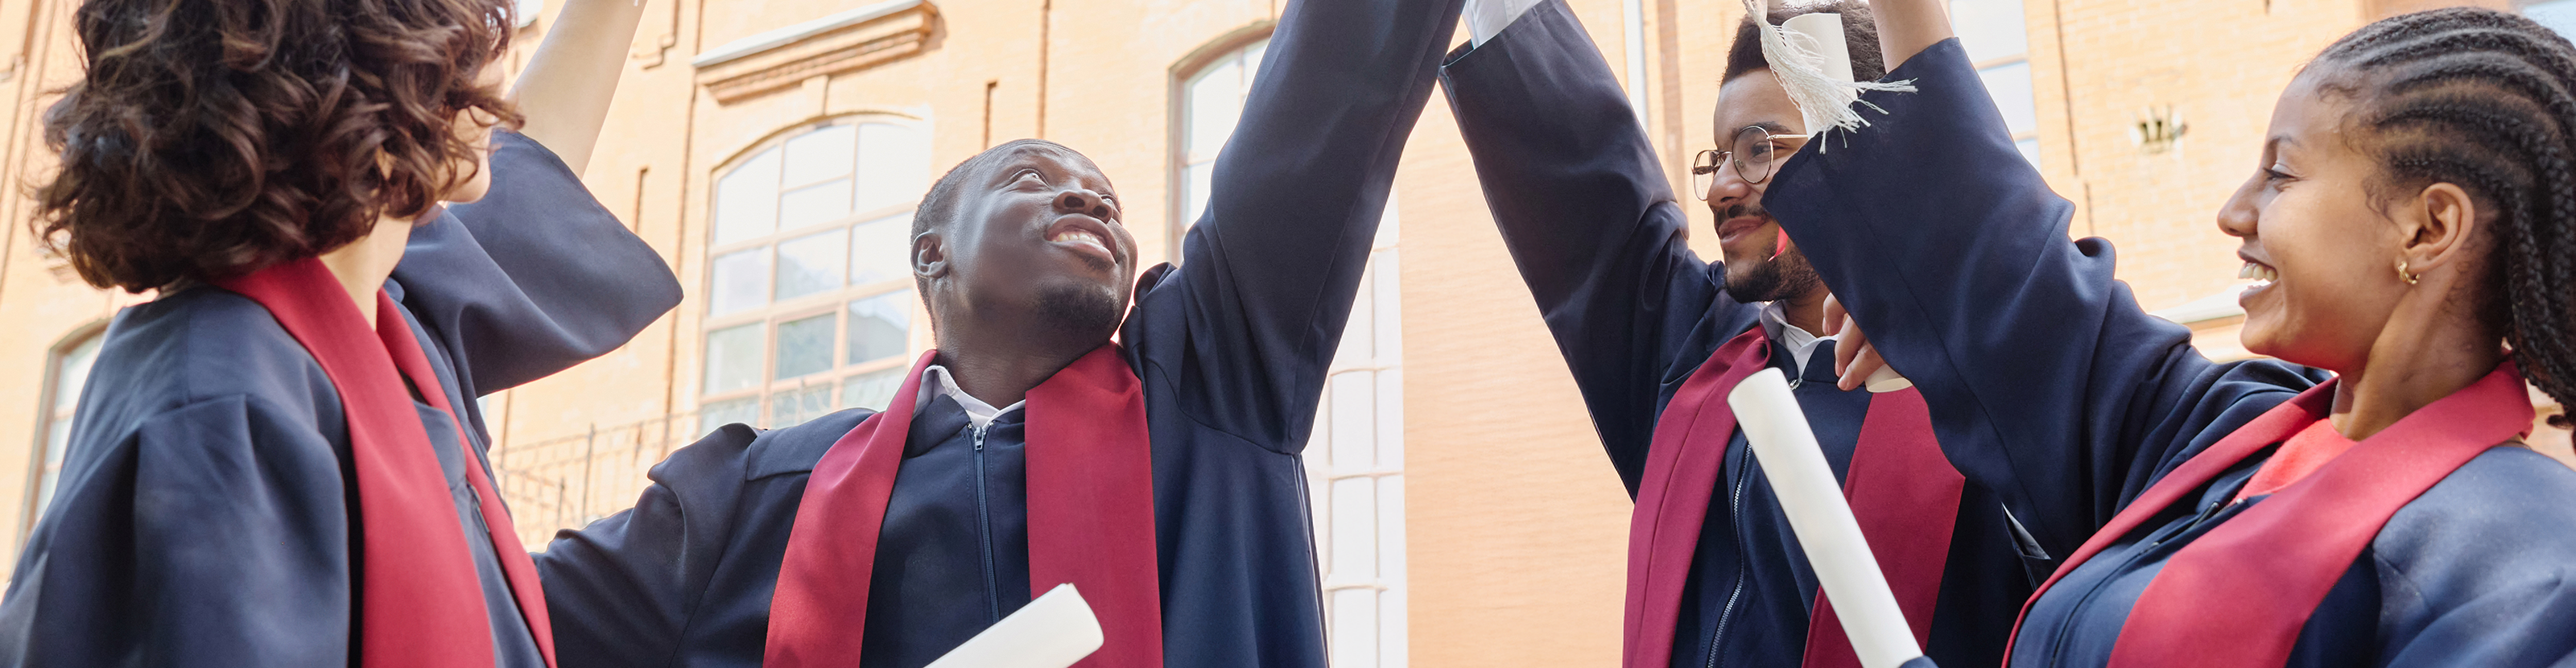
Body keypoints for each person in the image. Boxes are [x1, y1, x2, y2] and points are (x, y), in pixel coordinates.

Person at [530, 0, 1461, 666]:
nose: (1086, 194)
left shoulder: (1210, 385)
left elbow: (1323, 101)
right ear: (931, 253)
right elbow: (489, 607)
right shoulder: (747, 495)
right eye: (1030, 176)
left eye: (1103, 193)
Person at [1773, 1, 2576, 665]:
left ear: (2427, 227)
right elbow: (2009, 284)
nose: (2232, 212)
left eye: (2281, 175)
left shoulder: (2526, 566)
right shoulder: (2238, 439)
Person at [0, 0, 672, 665]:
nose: (498, 57)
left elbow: (522, 200)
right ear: (367, 67)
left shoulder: (378, 333)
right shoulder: (222, 408)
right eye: (462, 24)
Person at [1438, 2, 2032, 666]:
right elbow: (1581, 182)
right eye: (1718, 157)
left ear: (1867, 148)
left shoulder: (1985, 388)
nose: (1721, 187)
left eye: (1757, 149)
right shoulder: (1693, 357)